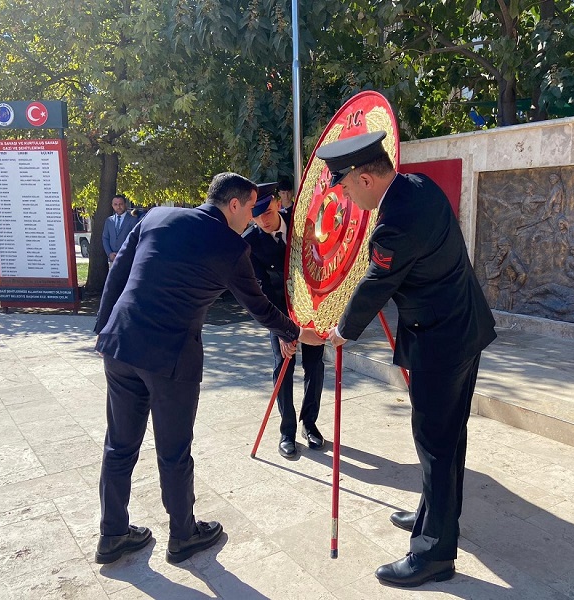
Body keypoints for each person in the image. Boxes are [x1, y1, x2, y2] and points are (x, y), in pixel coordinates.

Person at [93, 172, 324, 565]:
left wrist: (103, 327)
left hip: (121, 345)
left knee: (119, 445)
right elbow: (259, 307)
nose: (253, 217)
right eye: (250, 208)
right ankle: (183, 537)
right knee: (174, 451)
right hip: (171, 357)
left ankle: (112, 535)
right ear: (233, 204)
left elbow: (119, 273)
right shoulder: (229, 247)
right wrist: (299, 332)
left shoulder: (156, 217)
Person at [317, 131, 496, 588]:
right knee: (449, 434)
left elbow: (378, 281)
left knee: (435, 440)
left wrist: (341, 331)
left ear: (363, 177)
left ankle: (434, 553)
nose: (345, 198)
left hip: (442, 340)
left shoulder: (395, 219)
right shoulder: (417, 187)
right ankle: (436, 516)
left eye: (344, 187)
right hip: (461, 327)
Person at [243, 183, 325, 459]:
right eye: (256, 215)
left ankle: (309, 424)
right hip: (278, 312)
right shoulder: (251, 243)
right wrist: (283, 332)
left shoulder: (300, 220)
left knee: (315, 365)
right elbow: (262, 291)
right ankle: (287, 430)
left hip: (312, 307)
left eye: (267, 211)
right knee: (283, 368)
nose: (264, 220)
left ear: (277, 203)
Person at [101, 193, 138, 263]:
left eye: (121, 204)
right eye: (115, 204)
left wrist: (125, 254)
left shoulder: (133, 220)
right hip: (112, 259)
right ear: (112, 206)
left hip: (128, 259)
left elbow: (135, 239)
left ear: (125, 204)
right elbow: (105, 238)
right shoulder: (109, 221)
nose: (118, 207)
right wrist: (109, 254)